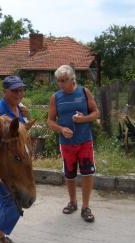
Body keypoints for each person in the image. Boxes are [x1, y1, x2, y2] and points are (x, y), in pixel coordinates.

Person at [47, 65, 100, 222]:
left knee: (87, 173)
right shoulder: (56, 97)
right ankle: (73, 202)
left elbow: (96, 112)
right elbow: (50, 121)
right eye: (59, 81)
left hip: (85, 141)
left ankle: (86, 207)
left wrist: (84, 119)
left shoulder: (84, 92)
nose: (61, 84)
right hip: (66, 143)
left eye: (64, 81)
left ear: (72, 79)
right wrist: (61, 129)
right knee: (69, 175)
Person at [0, 75, 27, 243]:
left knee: (5, 201)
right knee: (16, 202)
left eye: (21, 90)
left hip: (16, 165)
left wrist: (26, 115)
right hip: (2, 166)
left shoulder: (18, 108)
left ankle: (2, 234)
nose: (19, 93)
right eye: (14, 91)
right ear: (5, 92)